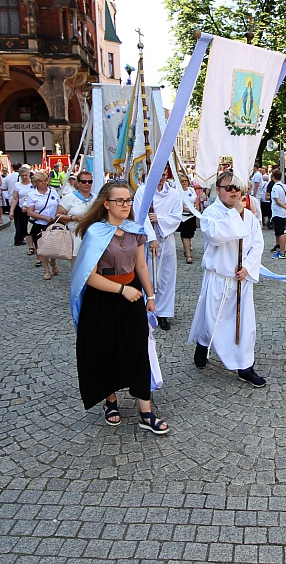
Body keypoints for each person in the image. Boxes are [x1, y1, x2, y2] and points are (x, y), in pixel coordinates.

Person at [70, 179, 168, 435]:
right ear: (106, 204)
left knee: (138, 349)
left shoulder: (135, 230)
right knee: (105, 350)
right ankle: (110, 401)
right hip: (102, 299)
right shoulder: (95, 233)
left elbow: (141, 265)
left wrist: (150, 296)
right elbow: (89, 276)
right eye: (120, 201)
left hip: (132, 297)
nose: (126, 205)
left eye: (128, 200)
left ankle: (145, 412)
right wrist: (122, 290)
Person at [188, 170, 267, 387]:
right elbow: (216, 236)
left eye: (237, 188)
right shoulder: (211, 213)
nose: (233, 192)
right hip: (219, 277)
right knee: (213, 319)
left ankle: (245, 366)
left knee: (245, 324)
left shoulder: (248, 216)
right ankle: (203, 343)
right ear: (218, 190)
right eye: (228, 188)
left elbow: (257, 244)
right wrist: (235, 214)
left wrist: (247, 267)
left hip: (241, 279)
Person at [139, 171, 183, 330]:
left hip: (166, 236)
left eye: (165, 174)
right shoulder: (143, 191)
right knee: (149, 275)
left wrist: (160, 219)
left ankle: (164, 312)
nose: (162, 178)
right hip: (149, 239)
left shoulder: (174, 193)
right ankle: (147, 308)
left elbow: (177, 216)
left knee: (166, 276)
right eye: (159, 174)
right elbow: (140, 214)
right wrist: (151, 238)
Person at [23, 171, 61, 280]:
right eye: (41, 181)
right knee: (43, 248)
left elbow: (59, 206)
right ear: (36, 183)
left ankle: (53, 262)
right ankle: (46, 269)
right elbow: (30, 212)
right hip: (39, 224)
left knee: (54, 247)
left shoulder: (53, 192)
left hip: (53, 224)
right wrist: (44, 217)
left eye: (45, 180)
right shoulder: (32, 195)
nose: (43, 183)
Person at [58, 171, 96, 260]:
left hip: (92, 236)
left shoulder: (96, 198)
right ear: (78, 183)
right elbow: (58, 216)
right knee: (76, 263)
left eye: (89, 181)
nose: (87, 184)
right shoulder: (69, 198)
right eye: (84, 181)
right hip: (75, 236)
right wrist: (73, 218)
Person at [269, 169, 286, 259]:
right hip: (282, 212)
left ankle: (282, 252)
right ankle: (280, 249)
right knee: (279, 231)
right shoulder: (283, 186)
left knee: (281, 232)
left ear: (273, 177)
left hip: (278, 212)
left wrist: (284, 206)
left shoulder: (275, 188)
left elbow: (277, 201)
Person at [9, 167, 34, 250]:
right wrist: (11, 211)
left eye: (25, 175)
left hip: (33, 208)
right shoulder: (17, 185)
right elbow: (15, 198)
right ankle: (30, 245)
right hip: (21, 209)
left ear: (29, 174)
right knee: (24, 227)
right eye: (22, 175)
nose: (24, 177)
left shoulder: (33, 184)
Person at [176, 173, 198, 263]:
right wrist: (188, 210)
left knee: (189, 234)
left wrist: (195, 208)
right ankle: (188, 255)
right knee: (185, 234)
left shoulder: (191, 190)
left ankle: (186, 248)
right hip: (183, 216)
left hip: (192, 216)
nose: (184, 182)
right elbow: (177, 205)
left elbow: (196, 200)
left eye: (185, 181)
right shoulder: (177, 192)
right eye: (182, 181)